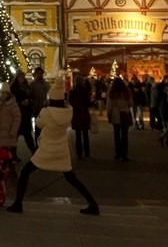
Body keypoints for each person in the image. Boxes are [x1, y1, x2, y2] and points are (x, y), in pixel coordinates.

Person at [7, 81, 99, 216]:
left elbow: (38, 124)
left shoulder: (47, 112)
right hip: (61, 149)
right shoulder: (68, 111)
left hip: (46, 149)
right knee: (71, 178)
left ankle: (18, 203)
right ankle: (93, 204)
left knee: (25, 173)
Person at [0, 82, 22, 163]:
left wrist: (13, 131)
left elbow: (17, 118)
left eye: (5, 93)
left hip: (9, 134)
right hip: (0, 134)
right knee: (2, 155)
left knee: (9, 155)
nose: (3, 95)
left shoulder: (12, 105)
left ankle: (11, 171)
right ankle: (4, 171)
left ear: (8, 94)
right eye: (1, 93)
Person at [106, 77, 132, 161]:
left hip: (115, 115)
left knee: (116, 135)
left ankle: (117, 153)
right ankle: (124, 155)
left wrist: (109, 114)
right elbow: (131, 103)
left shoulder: (112, 93)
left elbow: (109, 106)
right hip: (125, 114)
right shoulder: (126, 92)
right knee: (125, 136)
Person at [10, 70, 35, 153]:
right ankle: (13, 154)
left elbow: (31, 97)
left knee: (28, 135)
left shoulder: (27, 87)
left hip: (26, 114)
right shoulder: (13, 88)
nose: (22, 78)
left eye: (23, 77)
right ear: (17, 78)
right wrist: (21, 103)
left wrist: (29, 102)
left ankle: (34, 152)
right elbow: (12, 100)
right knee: (16, 135)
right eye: (20, 77)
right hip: (17, 114)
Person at [69, 75, 92, 159]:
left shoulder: (72, 91)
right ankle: (87, 152)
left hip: (76, 114)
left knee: (78, 135)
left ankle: (79, 154)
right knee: (85, 134)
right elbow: (88, 103)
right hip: (84, 113)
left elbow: (70, 102)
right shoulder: (85, 91)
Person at [29, 67, 50, 141]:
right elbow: (30, 96)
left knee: (45, 127)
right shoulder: (32, 84)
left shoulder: (46, 84)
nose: (39, 74)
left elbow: (48, 94)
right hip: (36, 108)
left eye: (40, 73)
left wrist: (47, 101)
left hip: (44, 108)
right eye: (38, 73)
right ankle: (37, 143)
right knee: (38, 127)